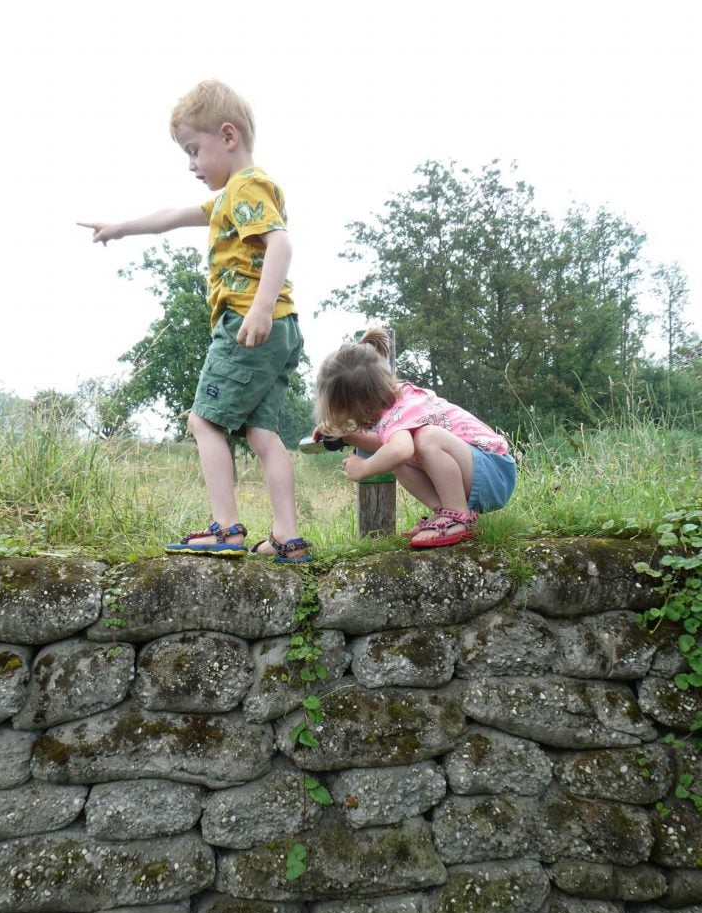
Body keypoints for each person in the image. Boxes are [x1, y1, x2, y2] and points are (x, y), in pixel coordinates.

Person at [79, 79, 310, 562]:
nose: (190, 165)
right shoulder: (230, 197)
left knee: (203, 421)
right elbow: (175, 215)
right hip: (282, 327)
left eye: (193, 150)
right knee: (262, 434)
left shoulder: (246, 185)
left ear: (228, 137)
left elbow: (281, 243)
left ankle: (225, 528)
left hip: (251, 320)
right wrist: (121, 228)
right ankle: (287, 537)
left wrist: (260, 307)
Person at [314, 327, 516, 548]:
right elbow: (391, 446)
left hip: (495, 472)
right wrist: (346, 437)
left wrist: (363, 468)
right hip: (478, 473)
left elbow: (400, 450)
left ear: (357, 405)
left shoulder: (401, 411)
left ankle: (458, 515)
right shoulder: (395, 404)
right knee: (394, 457)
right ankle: (444, 512)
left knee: (426, 438)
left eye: (346, 413)